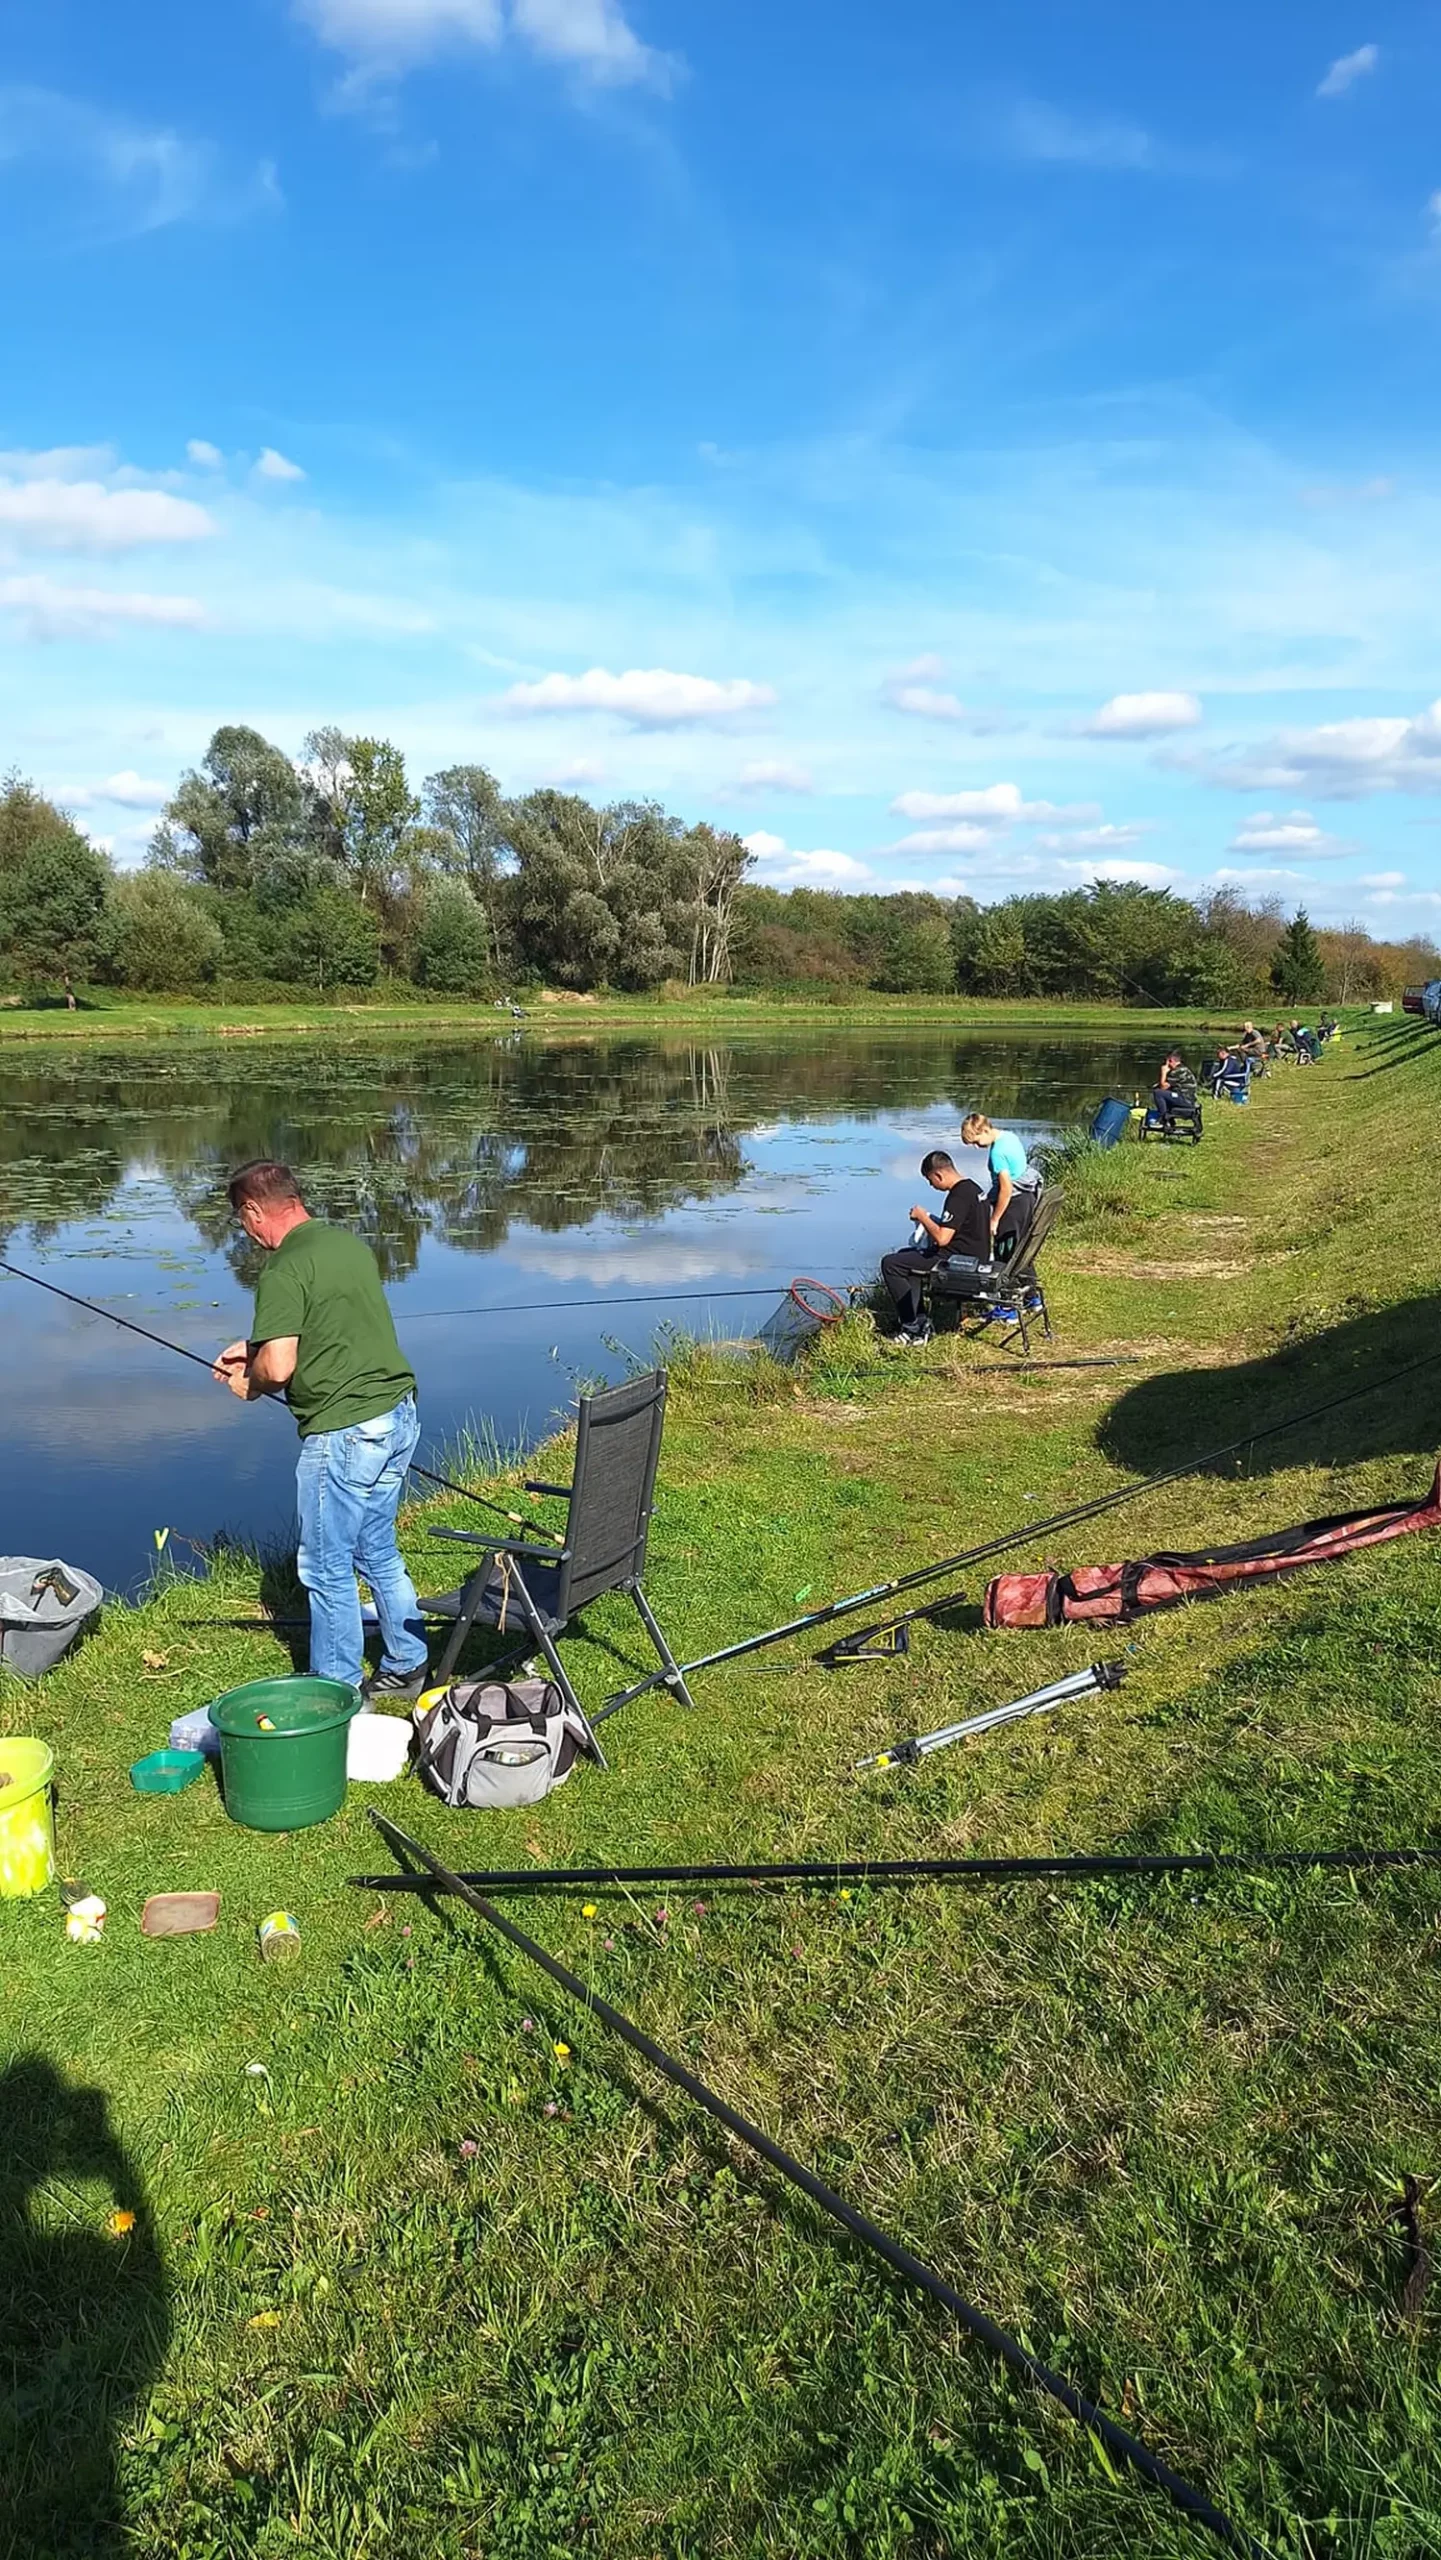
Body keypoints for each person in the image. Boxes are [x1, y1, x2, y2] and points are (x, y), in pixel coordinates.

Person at [212, 1160, 430, 1701]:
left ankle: (335, 1689)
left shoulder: (283, 1268)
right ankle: (408, 1661)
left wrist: (253, 1381)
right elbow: (331, 1326)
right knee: (376, 1546)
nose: (248, 1233)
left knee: (325, 1564)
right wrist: (257, 1344)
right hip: (396, 1414)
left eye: (243, 1222)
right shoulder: (344, 1245)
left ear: (254, 1210)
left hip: (346, 1432)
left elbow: (280, 1367)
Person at [880, 1148, 992, 1346]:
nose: (931, 1185)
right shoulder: (973, 1188)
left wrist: (923, 1217)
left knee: (890, 1264)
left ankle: (911, 1328)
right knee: (905, 1257)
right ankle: (920, 1320)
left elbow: (942, 1238)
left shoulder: (958, 1196)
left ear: (938, 1174)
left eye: (930, 1180)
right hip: (974, 1254)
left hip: (960, 1261)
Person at [959, 1113, 1036, 1244]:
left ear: (985, 1130)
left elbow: (1006, 1189)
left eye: (977, 1141)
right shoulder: (1009, 1136)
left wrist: (995, 1219)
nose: (977, 1147)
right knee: (1019, 1244)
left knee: (1005, 1249)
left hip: (1012, 1204)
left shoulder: (997, 1154)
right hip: (1027, 1196)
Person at [1150, 1051, 1198, 1126]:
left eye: (1166, 1061)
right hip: (1188, 1099)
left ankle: (1163, 1120)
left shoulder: (1177, 1071)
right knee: (1164, 1094)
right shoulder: (1183, 1068)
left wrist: (1164, 1072)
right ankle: (1169, 1121)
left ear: (1170, 1061)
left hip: (1185, 1100)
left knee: (1158, 1093)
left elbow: (1163, 1087)